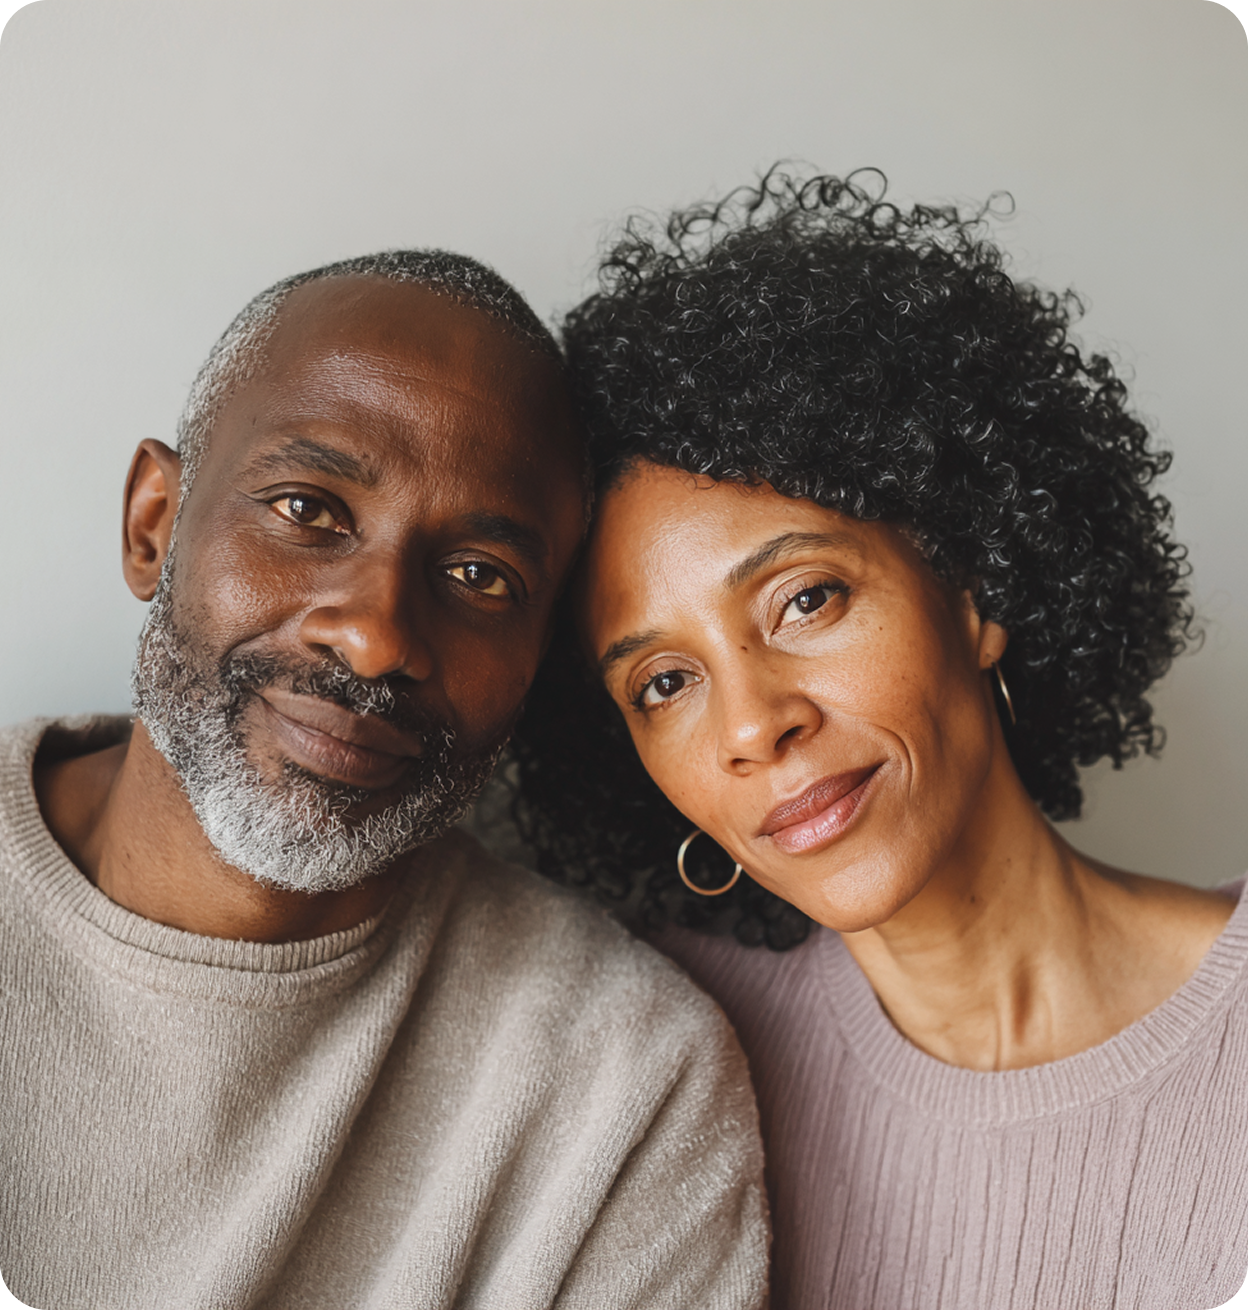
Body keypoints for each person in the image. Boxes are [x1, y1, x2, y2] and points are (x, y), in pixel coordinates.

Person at [511, 173, 1248, 1309]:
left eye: (805, 600)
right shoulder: (658, 1048)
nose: (755, 721)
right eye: (664, 681)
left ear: (974, 592)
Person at [0, 251, 768, 1310]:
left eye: (480, 577)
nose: (373, 636)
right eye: (309, 509)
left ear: (542, 656)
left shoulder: (620, 1082)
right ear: (154, 523)